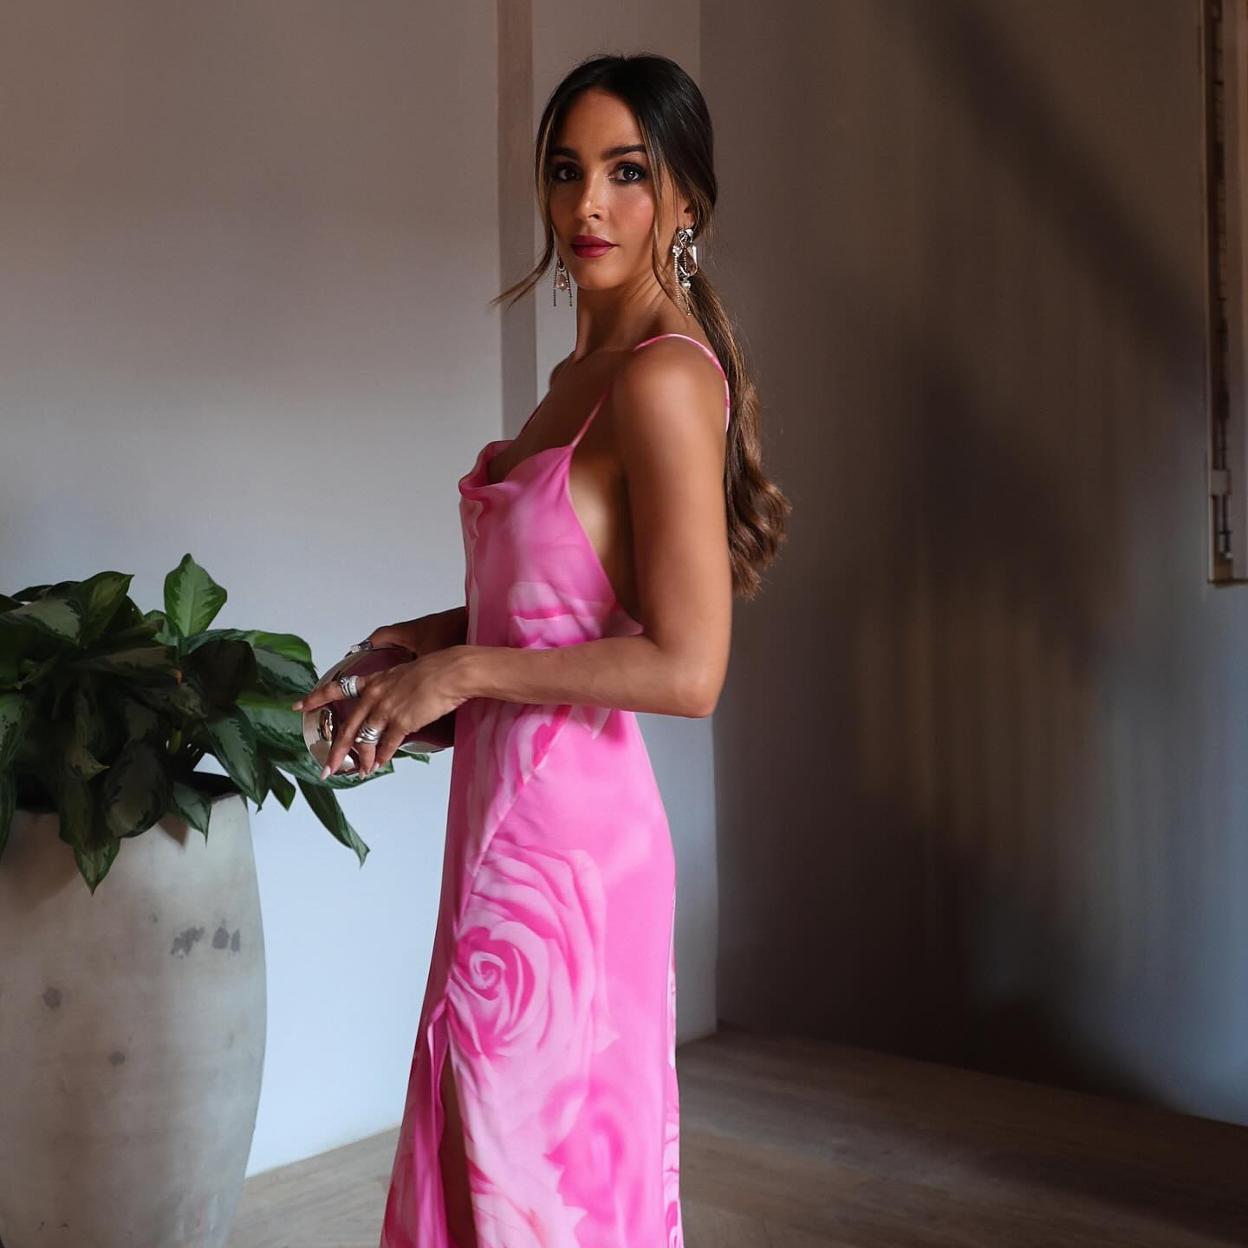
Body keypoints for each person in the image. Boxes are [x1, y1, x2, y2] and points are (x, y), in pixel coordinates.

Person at [295, 51, 788, 1248]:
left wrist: (463, 671)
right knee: (482, 1178)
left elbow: (687, 669)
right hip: (502, 835)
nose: (588, 206)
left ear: (686, 199)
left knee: (542, 1203)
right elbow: (562, 609)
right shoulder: (577, 375)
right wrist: (420, 651)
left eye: (627, 172)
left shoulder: (663, 381)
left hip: (574, 865)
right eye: (567, 172)